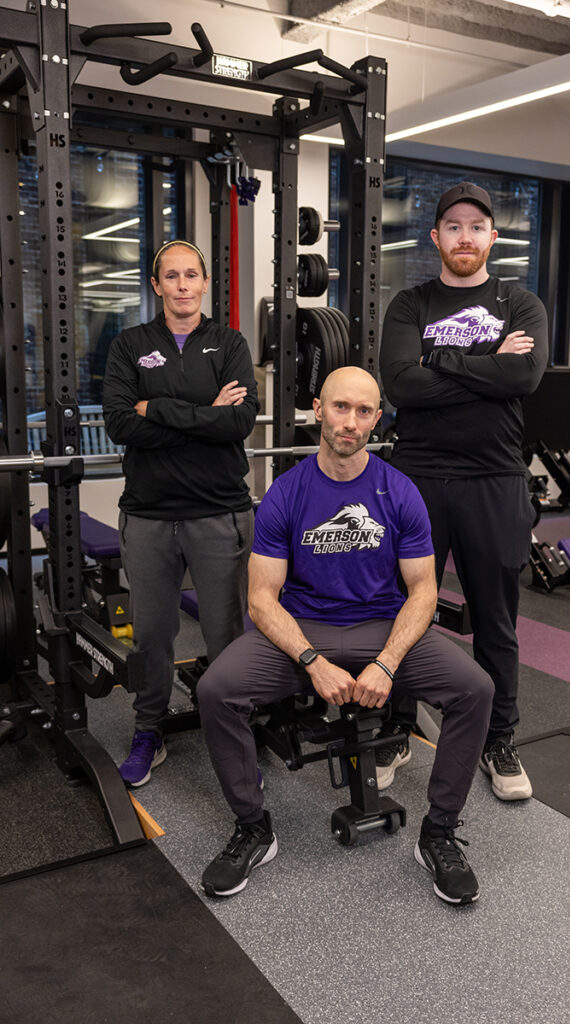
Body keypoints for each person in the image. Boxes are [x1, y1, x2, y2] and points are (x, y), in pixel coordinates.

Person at [197, 366, 494, 905]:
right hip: (304, 628)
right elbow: (262, 598)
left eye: (363, 411)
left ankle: (439, 833)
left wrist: (385, 665)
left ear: (377, 419)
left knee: (474, 689)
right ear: (318, 409)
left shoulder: (399, 491)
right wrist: (312, 661)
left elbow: (423, 590)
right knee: (217, 690)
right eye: (340, 407)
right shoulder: (287, 493)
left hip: (383, 625)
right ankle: (253, 827)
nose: (350, 421)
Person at [378, 182, 548, 801]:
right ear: (436, 238)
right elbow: (400, 385)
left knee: (496, 622)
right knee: (404, 610)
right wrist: (486, 363)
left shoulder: (520, 303)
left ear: (492, 238)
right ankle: (395, 727)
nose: (465, 237)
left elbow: (523, 375)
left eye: (477, 226)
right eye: (453, 226)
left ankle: (499, 738)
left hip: (494, 480)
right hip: (417, 478)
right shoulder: (409, 303)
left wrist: (441, 359)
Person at [103, 239, 259, 787]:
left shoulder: (230, 342)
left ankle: (234, 731)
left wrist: (160, 412)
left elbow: (238, 424)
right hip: (148, 513)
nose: (183, 285)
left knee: (226, 634)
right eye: (172, 276)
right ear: (157, 285)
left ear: (205, 282)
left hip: (218, 510)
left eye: (192, 274)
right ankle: (149, 729)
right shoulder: (129, 346)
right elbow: (121, 423)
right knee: (152, 634)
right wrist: (203, 414)